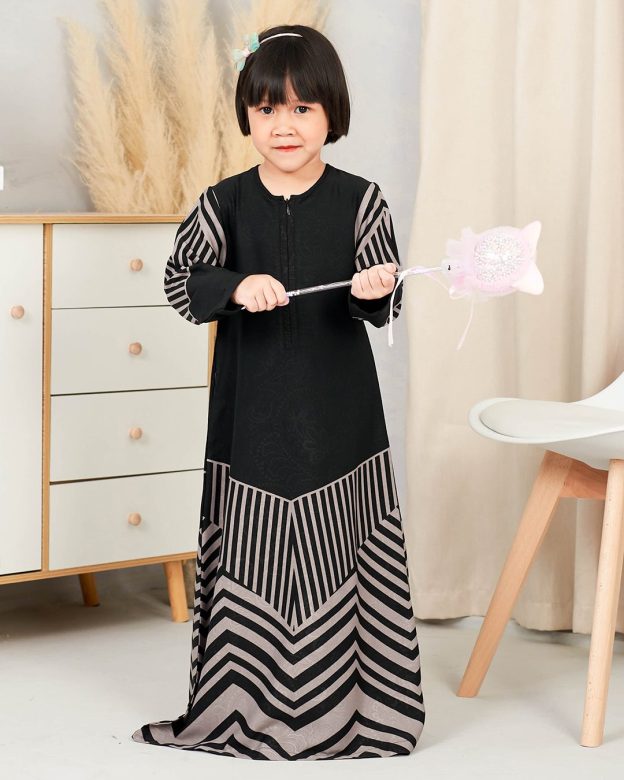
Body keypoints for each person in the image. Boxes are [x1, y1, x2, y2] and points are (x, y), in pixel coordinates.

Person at [131, 23, 425, 760]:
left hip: (340, 421)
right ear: (247, 115)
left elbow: (387, 301)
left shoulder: (362, 201)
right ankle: (244, 708)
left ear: (331, 113)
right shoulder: (223, 203)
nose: (283, 125)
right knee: (250, 550)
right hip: (250, 421)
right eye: (267, 109)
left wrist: (375, 288)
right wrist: (236, 285)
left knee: (344, 549)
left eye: (301, 109)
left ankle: (359, 713)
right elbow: (181, 282)